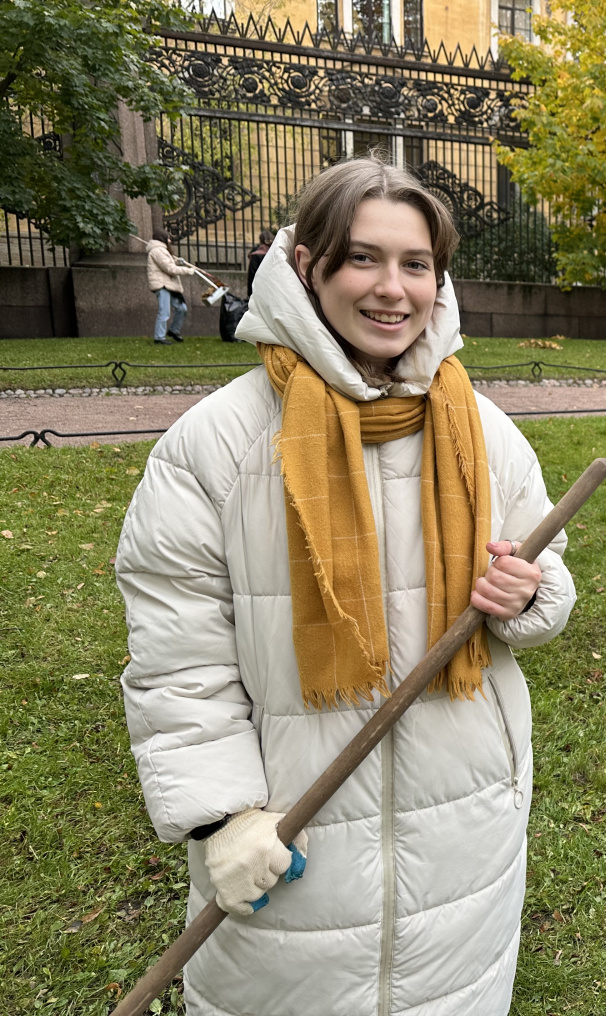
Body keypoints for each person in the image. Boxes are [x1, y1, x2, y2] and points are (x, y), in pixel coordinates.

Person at [116, 158, 577, 1015]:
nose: (392, 289)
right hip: (292, 844)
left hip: (463, 832)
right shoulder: (211, 448)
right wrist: (225, 819)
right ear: (307, 266)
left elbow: (544, 588)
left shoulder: (484, 431)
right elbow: (179, 664)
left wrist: (529, 595)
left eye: (416, 264)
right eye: (363, 259)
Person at [145, 228, 197, 345]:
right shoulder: (157, 251)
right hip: (162, 285)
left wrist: (178, 262)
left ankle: (174, 330)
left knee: (182, 308)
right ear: (162, 238)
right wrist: (188, 271)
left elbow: (170, 264)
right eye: (168, 238)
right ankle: (159, 337)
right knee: (164, 312)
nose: (170, 240)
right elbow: (170, 269)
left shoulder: (162, 250)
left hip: (169, 285)